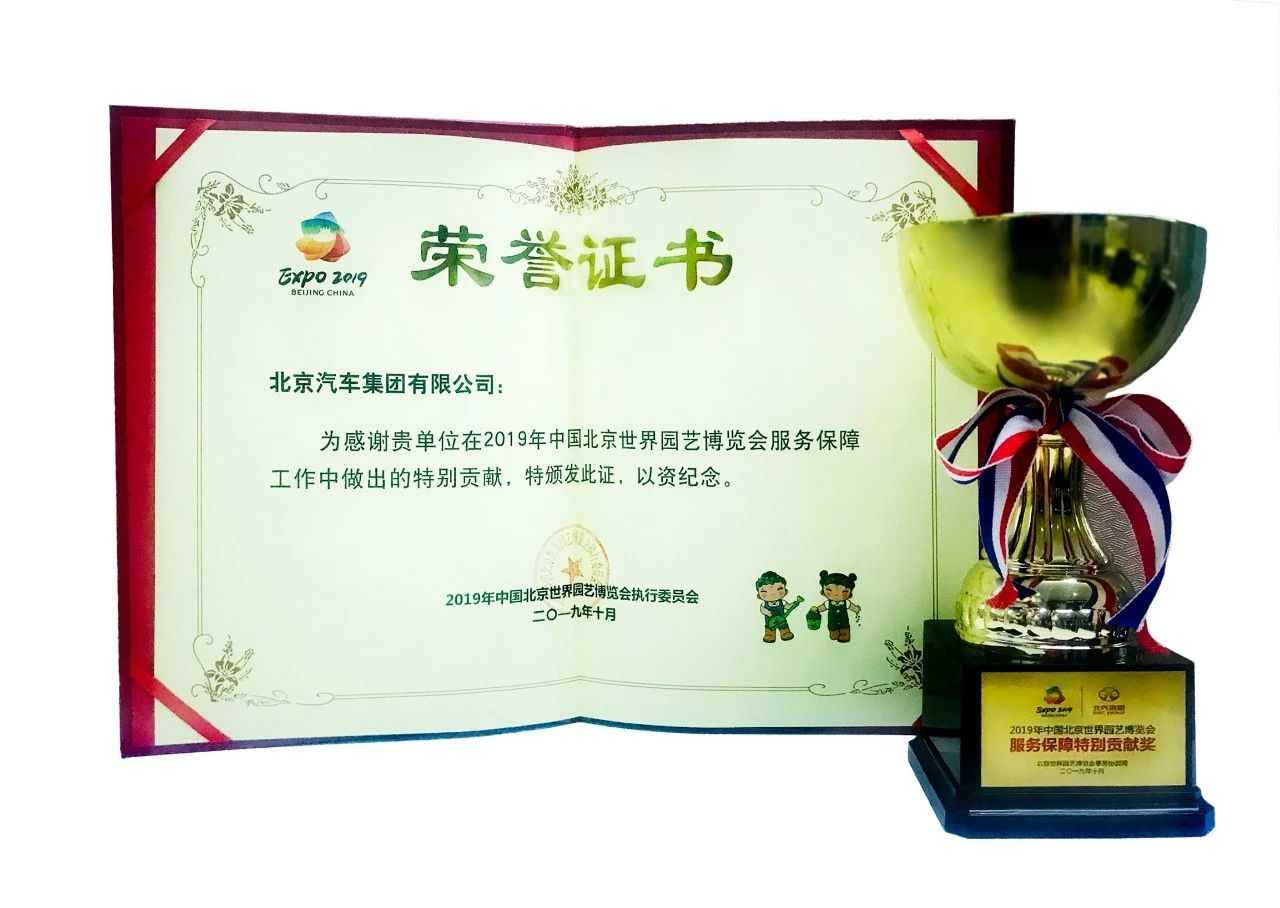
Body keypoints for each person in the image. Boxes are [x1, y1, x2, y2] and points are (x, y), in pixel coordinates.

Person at [813, 570, 860, 643]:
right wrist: (816, 609)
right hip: (832, 621)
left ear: (850, 592)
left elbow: (852, 606)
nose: (836, 594)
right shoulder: (828, 603)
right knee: (833, 634)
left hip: (844, 620)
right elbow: (822, 607)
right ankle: (834, 633)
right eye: (829, 590)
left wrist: (856, 609)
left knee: (845, 628)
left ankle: (845, 635)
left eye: (844, 591)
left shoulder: (846, 603)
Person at [755, 570, 795, 643]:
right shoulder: (764, 604)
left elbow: (788, 606)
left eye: (779, 589)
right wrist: (769, 613)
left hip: (782, 620)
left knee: (783, 626)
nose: (772, 594)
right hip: (769, 621)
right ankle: (770, 635)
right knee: (770, 628)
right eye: (764, 591)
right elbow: (762, 610)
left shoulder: (782, 602)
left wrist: (793, 604)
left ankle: (785, 633)